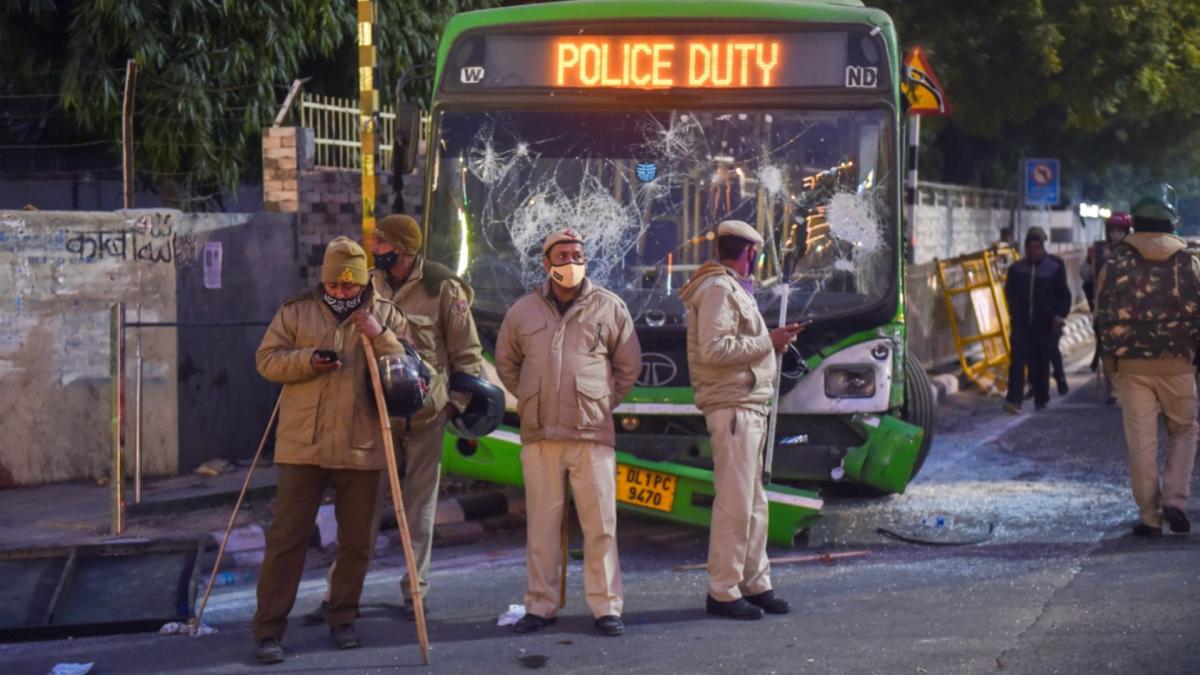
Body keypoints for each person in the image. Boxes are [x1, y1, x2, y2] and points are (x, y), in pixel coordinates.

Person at [300, 214, 483, 624]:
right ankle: (339, 595)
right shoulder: (364, 283)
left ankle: (414, 593)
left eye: (381, 245)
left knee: (420, 508)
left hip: (425, 413)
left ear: (403, 249)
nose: (375, 251)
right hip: (373, 412)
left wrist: (453, 405)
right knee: (359, 508)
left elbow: (467, 354)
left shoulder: (443, 287)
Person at [251, 237, 425, 664]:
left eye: (350, 287)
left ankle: (342, 617)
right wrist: (307, 360)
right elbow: (267, 360)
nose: (343, 293)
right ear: (324, 280)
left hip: (363, 443)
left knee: (356, 543)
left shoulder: (386, 314)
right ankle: (268, 629)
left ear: (364, 281)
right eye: (335, 286)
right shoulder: (296, 310)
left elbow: (415, 366)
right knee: (287, 539)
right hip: (302, 445)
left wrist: (380, 336)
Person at [494, 228, 641, 637]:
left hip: (592, 434)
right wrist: (529, 398)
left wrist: (600, 402)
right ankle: (539, 606)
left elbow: (628, 367)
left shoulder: (610, 308)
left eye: (577, 254)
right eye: (562, 255)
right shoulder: (522, 311)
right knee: (541, 525)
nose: (571, 262)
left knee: (600, 525)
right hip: (540, 435)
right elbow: (507, 362)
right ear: (546, 263)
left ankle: (606, 607)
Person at [678, 220, 805, 621]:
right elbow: (716, 349)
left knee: (753, 502)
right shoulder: (718, 288)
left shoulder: (728, 286)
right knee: (735, 503)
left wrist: (773, 340)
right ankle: (723, 589)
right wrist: (770, 340)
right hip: (732, 406)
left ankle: (754, 582)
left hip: (747, 404)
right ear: (749, 252)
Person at [1094, 182, 1200, 538]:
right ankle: (1175, 498)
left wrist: (1111, 365)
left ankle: (1150, 517)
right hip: (1179, 363)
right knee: (1184, 430)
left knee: (1141, 441)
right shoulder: (1190, 261)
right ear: (1172, 221)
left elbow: (1100, 314)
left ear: (1135, 222)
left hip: (1131, 366)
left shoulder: (1114, 262)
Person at [1003, 226, 1071, 414]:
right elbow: (1009, 293)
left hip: (1045, 325)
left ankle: (1041, 397)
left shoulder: (1054, 268)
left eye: (1037, 247)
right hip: (1021, 324)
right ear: (1025, 249)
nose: (1033, 252)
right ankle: (1014, 399)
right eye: (1030, 248)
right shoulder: (1016, 269)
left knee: (1041, 363)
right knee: (1017, 362)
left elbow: (1064, 295)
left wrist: (1059, 315)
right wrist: (1015, 311)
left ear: (1042, 248)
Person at [1086, 212, 1132, 404]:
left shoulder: (1134, 250)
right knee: (1107, 351)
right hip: (1106, 309)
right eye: (1113, 230)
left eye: (1120, 230)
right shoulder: (1100, 251)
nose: (1116, 234)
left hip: (1130, 309)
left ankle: (1129, 388)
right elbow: (1086, 275)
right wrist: (1090, 263)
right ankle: (1112, 390)